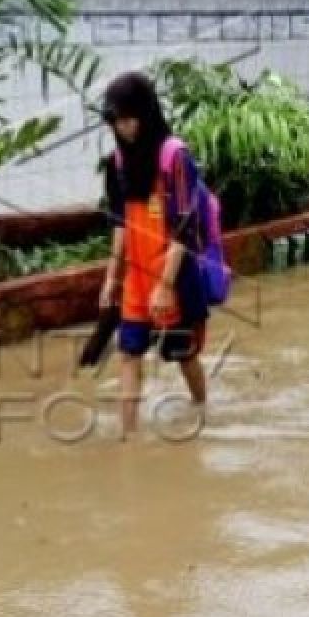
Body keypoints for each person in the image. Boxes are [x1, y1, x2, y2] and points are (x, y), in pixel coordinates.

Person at [99, 72, 209, 435]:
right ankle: (127, 440)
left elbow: (186, 228)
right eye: (116, 122)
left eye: (127, 119)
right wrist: (112, 277)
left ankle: (201, 412)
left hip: (170, 275)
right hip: (135, 278)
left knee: (183, 354)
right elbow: (120, 222)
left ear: (145, 114)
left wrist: (165, 285)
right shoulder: (118, 162)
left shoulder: (175, 157)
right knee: (128, 354)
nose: (122, 128)